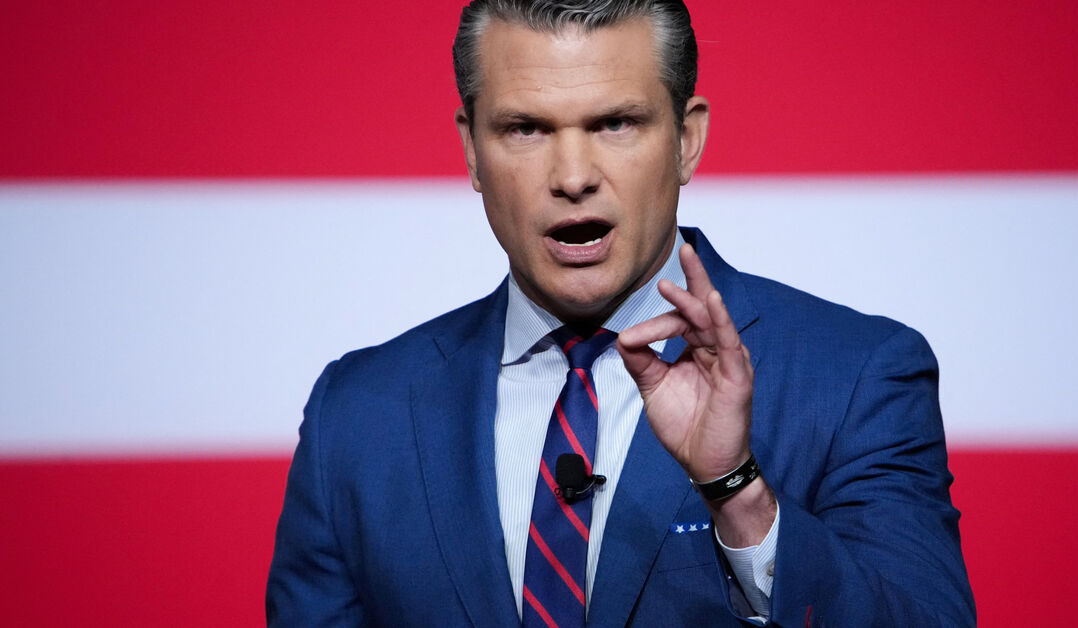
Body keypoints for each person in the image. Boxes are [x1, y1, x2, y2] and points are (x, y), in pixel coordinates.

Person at [266, 1, 975, 626]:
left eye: (615, 123)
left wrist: (738, 494)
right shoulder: (355, 415)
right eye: (525, 129)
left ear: (686, 140)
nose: (573, 176)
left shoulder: (854, 377)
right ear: (471, 150)